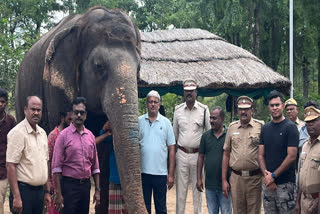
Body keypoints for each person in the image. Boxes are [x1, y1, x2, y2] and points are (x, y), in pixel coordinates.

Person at [52, 97, 100, 214]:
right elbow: (56, 168)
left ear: (86, 115)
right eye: (76, 112)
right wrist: (58, 193)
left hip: (85, 186)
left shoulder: (90, 136)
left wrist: (97, 190)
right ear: (71, 114)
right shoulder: (63, 136)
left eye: (82, 112)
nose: (79, 115)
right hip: (69, 186)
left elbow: (95, 167)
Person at [6, 96, 51, 214]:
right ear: (25, 109)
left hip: (39, 192)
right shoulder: (17, 133)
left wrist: (47, 192)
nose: (36, 113)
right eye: (33, 109)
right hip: (23, 192)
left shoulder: (43, 134)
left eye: (39, 110)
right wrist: (16, 197)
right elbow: (10, 165)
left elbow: (44, 163)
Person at [173, 79, 210, 214]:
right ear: (183, 92)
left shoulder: (204, 110)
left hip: (198, 156)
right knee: (180, 193)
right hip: (181, 154)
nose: (189, 93)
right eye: (187, 91)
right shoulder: (177, 111)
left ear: (196, 92)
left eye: (192, 91)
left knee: (197, 190)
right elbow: (174, 136)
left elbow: (208, 134)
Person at [222, 95, 264, 214]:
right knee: (238, 211)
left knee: (254, 211)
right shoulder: (231, 127)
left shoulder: (260, 126)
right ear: (237, 111)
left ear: (252, 110)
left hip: (255, 179)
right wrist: (224, 179)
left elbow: (264, 153)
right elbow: (226, 154)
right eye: (240, 109)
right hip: (236, 179)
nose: (243, 112)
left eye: (246, 109)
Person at [259, 90, 299, 214]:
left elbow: (292, 156)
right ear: (268, 107)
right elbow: (260, 155)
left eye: (277, 105)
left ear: (282, 106)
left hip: (285, 185)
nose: (275, 108)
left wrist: (273, 176)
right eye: (272, 105)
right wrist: (267, 177)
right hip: (268, 186)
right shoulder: (265, 128)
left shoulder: (290, 127)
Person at [139, 90, 175, 214]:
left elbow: (171, 149)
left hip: (160, 174)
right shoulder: (139, 121)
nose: (153, 104)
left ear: (159, 105)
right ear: (146, 104)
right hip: (143, 173)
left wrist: (170, 174)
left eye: (155, 102)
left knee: (161, 208)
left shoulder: (166, 123)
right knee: (145, 207)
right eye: (150, 102)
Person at [196, 106, 232, 214]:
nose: (211, 121)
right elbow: (201, 157)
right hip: (210, 185)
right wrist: (199, 178)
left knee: (226, 211)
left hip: (225, 185)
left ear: (222, 119)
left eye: (214, 118)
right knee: (212, 211)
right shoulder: (205, 136)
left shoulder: (229, 136)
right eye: (210, 118)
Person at [95, 121, 128, 214]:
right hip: (115, 179)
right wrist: (104, 129)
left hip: (129, 182)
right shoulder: (113, 137)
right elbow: (103, 140)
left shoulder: (131, 136)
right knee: (114, 210)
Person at [294, 106, 320, 214]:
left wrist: (318, 201)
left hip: (317, 202)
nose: (310, 125)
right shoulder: (305, 145)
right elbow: (302, 175)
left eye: (314, 121)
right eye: (308, 122)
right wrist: (297, 202)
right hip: (304, 200)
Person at [47, 110, 72, 214]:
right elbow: (48, 159)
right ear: (62, 118)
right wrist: (48, 179)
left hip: (67, 181)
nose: (71, 122)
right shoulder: (53, 135)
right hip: (55, 181)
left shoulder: (70, 135)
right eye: (69, 119)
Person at [0, 88, 16, 214]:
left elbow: (15, 144)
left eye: (3, 101)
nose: (0, 104)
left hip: (4, 171)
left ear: (6, 103)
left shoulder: (11, 121)